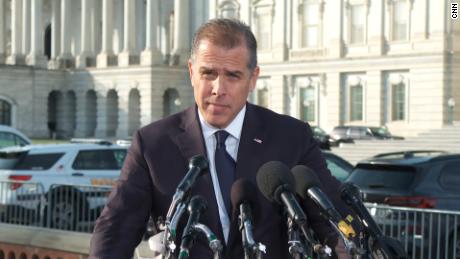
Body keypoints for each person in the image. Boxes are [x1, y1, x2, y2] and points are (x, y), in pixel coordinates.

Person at [89, 18, 352, 259]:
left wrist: (348, 242)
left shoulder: (291, 137)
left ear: (252, 79)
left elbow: (331, 216)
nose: (218, 89)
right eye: (208, 73)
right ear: (192, 72)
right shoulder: (153, 144)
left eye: (232, 76)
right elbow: (115, 230)